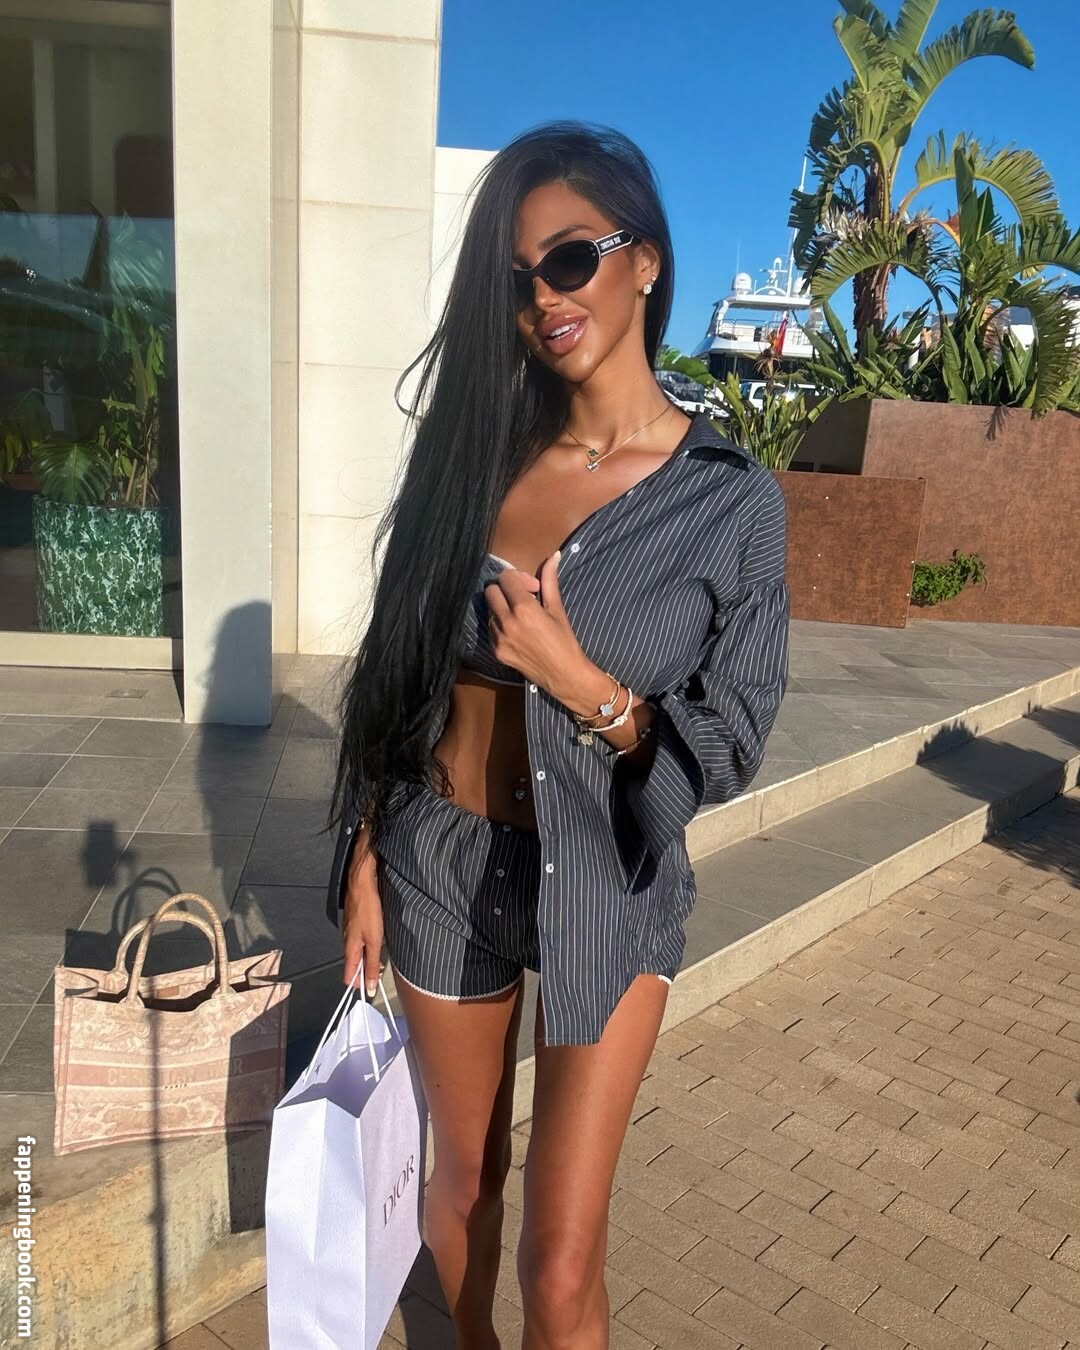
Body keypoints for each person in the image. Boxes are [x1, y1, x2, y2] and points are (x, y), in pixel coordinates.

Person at [325, 121, 790, 1350]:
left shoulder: (729, 500)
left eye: (572, 258)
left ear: (645, 260)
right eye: (519, 276)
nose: (544, 297)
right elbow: (401, 673)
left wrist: (584, 683)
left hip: (609, 879)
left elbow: (733, 738)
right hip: (441, 858)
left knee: (562, 1258)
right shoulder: (476, 455)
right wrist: (367, 848)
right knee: (461, 1186)